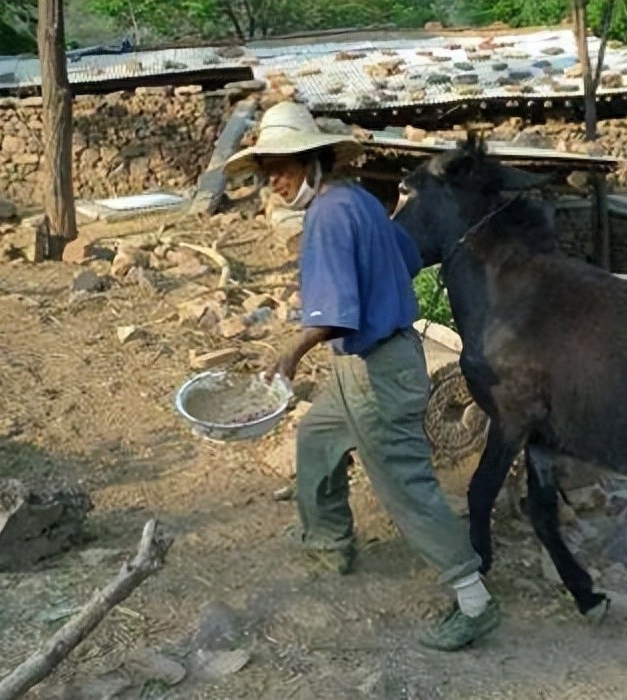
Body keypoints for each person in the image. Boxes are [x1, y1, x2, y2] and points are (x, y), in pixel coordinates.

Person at [222, 101, 501, 651]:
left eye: (283, 166)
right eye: (266, 170)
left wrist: (290, 352)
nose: (273, 180)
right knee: (317, 439)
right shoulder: (361, 203)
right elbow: (405, 260)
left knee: (405, 485)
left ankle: (474, 598)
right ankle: (329, 541)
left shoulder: (327, 216)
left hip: (374, 370)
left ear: (314, 160)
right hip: (375, 362)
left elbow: (334, 314)